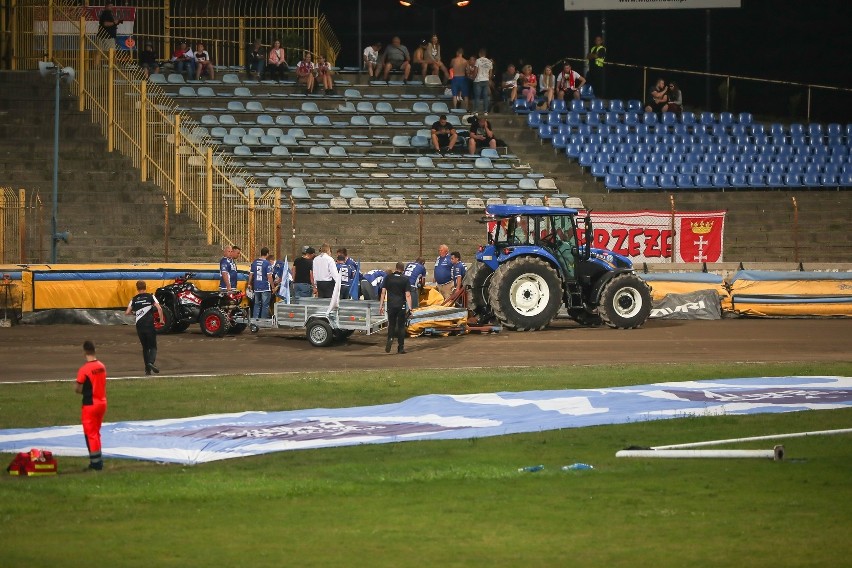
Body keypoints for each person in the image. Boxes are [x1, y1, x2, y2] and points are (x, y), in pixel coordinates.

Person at [75, 340, 107, 471]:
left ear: (84, 352)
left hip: (90, 404)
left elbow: (78, 388)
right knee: (96, 433)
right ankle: (99, 460)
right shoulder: (102, 366)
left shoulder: (84, 369)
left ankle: (95, 463)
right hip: (102, 402)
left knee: (91, 434)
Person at [125, 280, 163, 375]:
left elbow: (127, 312)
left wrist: (135, 313)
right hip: (149, 325)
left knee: (145, 348)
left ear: (137, 289)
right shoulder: (150, 297)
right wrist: (161, 320)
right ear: (145, 287)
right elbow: (159, 308)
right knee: (153, 346)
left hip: (139, 326)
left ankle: (147, 370)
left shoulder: (134, 299)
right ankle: (150, 362)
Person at [379, 262, 413, 355]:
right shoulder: (405, 279)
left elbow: (383, 292)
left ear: (396, 268)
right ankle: (400, 347)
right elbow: (408, 295)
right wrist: (410, 308)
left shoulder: (388, 277)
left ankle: (390, 338)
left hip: (391, 304)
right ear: (403, 269)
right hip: (401, 305)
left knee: (392, 324)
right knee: (401, 326)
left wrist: (381, 305)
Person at [248, 246, 273, 319]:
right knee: (265, 305)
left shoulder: (254, 262)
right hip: (265, 287)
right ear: (267, 254)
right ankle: (263, 321)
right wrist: (273, 287)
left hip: (256, 287)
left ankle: (255, 320)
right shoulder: (267, 263)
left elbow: (251, 274)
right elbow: (269, 277)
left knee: (256, 304)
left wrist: (249, 284)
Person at [94, 3, 121, 67]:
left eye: (112, 6)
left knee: (99, 52)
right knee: (112, 52)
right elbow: (105, 23)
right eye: (110, 6)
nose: (111, 7)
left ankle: (96, 66)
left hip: (102, 35)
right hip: (107, 36)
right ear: (106, 6)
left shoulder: (106, 13)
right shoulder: (107, 13)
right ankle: (114, 66)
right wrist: (114, 22)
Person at [472, 48, 493, 114]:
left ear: (479, 54)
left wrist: (473, 78)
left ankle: (476, 111)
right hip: (486, 80)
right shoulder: (490, 62)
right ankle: (485, 111)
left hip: (478, 80)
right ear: (485, 54)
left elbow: (475, 71)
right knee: (485, 97)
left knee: (477, 96)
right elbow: (490, 73)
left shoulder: (478, 60)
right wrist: (488, 79)